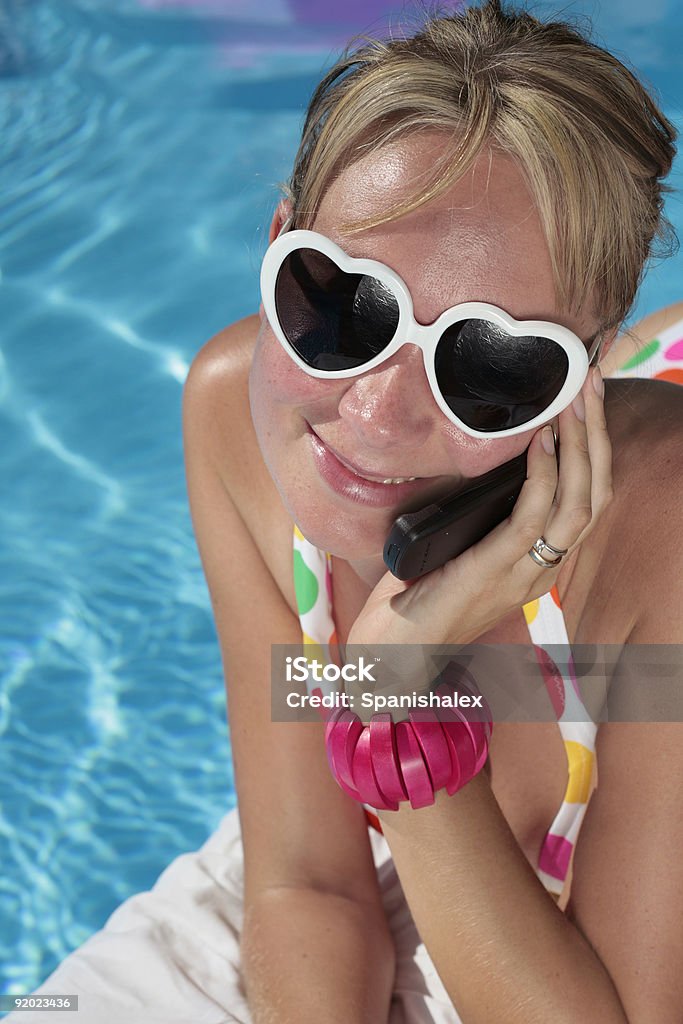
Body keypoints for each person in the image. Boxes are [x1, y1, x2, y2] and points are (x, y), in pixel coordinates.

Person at [9, 2, 683, 1022]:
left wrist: (393, 701)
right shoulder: (238, 414)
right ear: (277, 240)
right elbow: (305, 882)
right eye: (340, 304)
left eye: (489, 363)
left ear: (578, 380)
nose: (373, 412)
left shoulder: (659, 542)